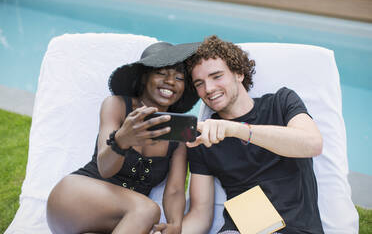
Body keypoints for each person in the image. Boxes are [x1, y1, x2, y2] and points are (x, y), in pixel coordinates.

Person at [46, 41, 200, 234]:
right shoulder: (118, 105)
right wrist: (122, 141)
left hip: (116, 221)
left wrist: (176, 224)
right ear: (144, 78)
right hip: (75, 198)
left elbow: (176, 189)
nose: (170, 81)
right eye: (161, 73)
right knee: (149, 210)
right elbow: (105, 168)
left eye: (179, 77)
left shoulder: (178, 133)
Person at [182, 35, 324, 234]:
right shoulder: (203, 135)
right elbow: (199, 214)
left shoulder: (281, 102)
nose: (209, 89)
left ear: (238, 73)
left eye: (216, 76)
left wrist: (238, 130)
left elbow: (312, 144)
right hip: (240, 229)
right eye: (199, 83)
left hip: (296, 228)